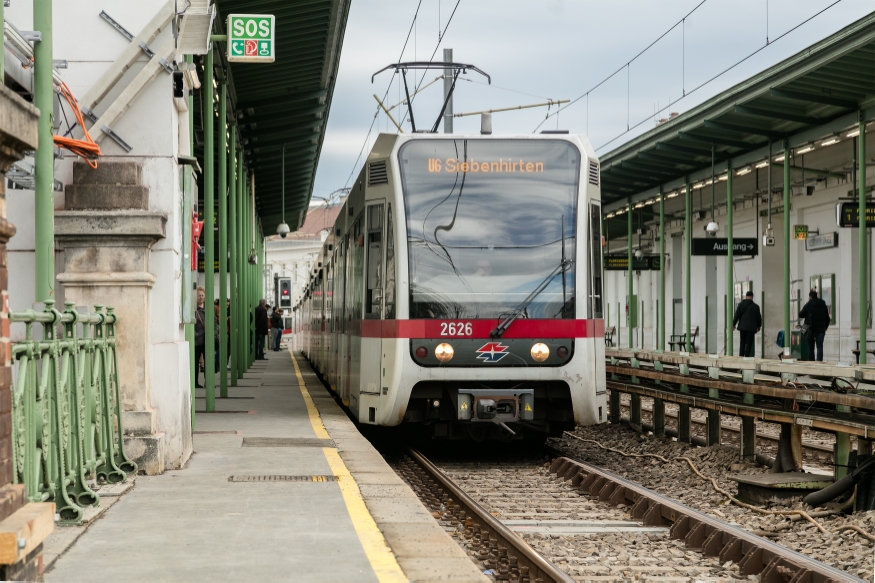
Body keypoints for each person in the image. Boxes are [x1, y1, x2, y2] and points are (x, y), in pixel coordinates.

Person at [799, 289, 830, 361]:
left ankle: (812, 363)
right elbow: (827, 318)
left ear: (810, 297)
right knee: (819, 347)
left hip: (810, 330)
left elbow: (801, 314)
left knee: (810, 347)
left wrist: (806, 305)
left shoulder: (808, 305)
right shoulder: (823, 304)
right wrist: (825, 327)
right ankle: (819, 363)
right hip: (821, 330)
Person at [733, 290, 761, 358]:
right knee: (749, 343)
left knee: (742, 342)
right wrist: (759, 326)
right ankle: (746, 356)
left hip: (742, 327)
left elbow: (737, 315)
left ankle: (741, 356)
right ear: (752, 297)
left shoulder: (740, 304)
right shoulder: (756, 306)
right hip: (751, 328)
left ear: (746, 296)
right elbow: (759, 317)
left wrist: (733, 324)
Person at [194, 287, 206, 387]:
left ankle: (208, 381)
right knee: (195, 362)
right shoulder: (194, 310)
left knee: (208, 361)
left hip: (206, 339)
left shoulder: (208, 308)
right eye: (199, 295)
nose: (201, 297)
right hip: (197, 340)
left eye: (202, 295)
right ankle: (195, 382)